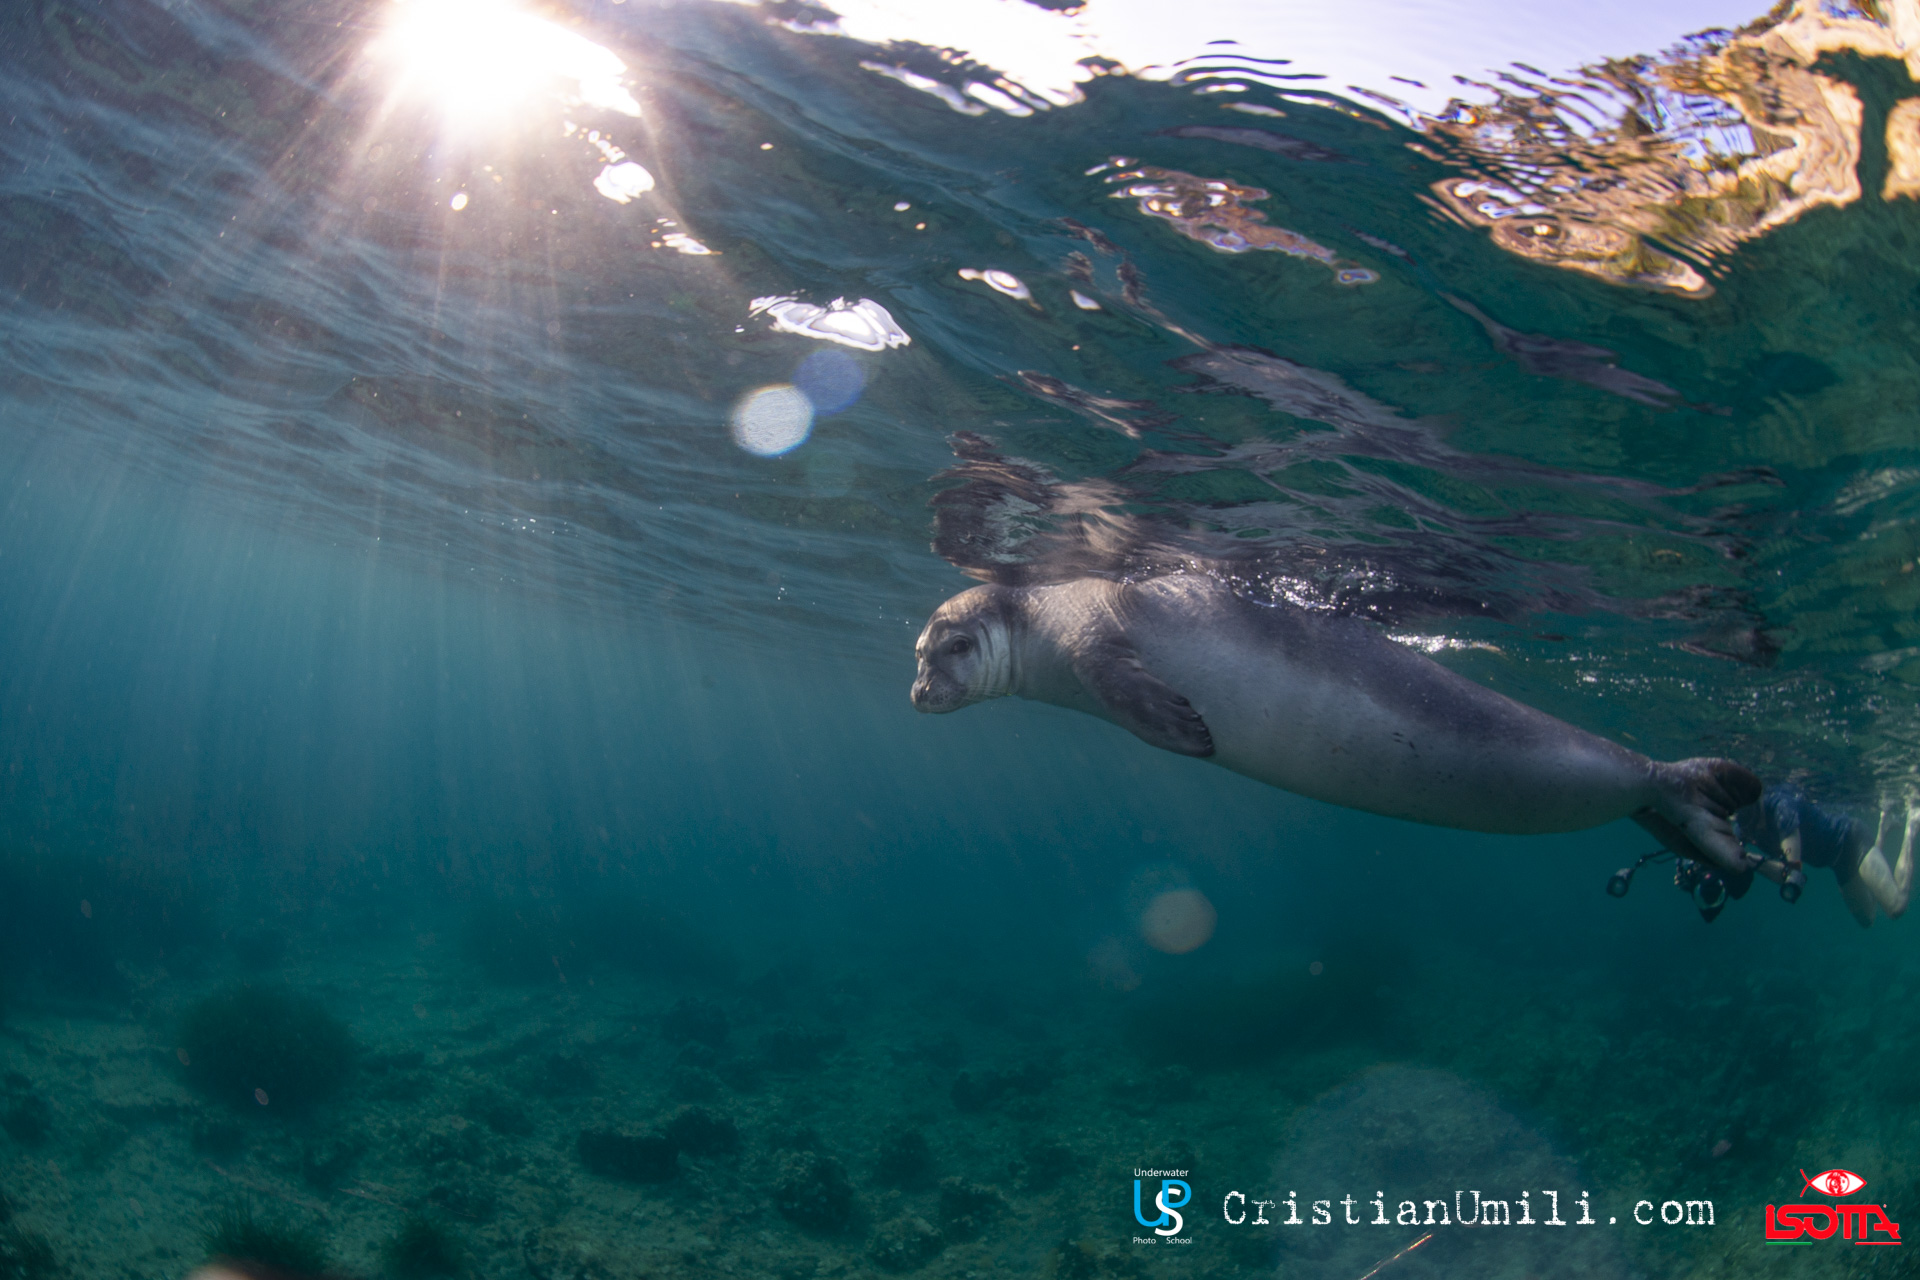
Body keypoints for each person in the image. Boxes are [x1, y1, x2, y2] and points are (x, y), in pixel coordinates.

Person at [1738, 785, 1915, 928]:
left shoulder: (1782, 810)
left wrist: (1747, 859)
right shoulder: (1744, 824)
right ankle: (1883, 828)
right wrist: (1742, 858)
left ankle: (1912, 824)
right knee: (1867, 919)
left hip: (1852, 840)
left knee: (1895, 908)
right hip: (1838, 863)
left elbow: (1791, 875)